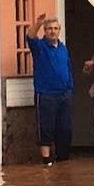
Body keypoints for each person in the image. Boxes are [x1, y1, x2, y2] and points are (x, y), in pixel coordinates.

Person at [27, 13, 74, 166]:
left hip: (65, 95)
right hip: (46, 94)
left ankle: (63, 162)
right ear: (45, 31)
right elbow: (31, 37)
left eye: (55, 28)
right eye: (49, 29)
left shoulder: (62, 48)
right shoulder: (39, 47)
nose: (52, 31)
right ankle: (46, 162)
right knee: (46, 129)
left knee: (65, 129)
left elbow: (67, 68)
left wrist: (70, 88)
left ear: (59, 30)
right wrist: (38, 24)